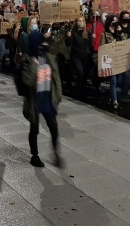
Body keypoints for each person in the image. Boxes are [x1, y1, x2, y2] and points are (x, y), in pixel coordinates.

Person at [21, 32, 62, 168]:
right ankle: (35, 156)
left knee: (54, 128)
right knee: (34, 129)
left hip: (48, 98)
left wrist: (58, 97)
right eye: (42, 42)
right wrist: (34, 65)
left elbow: (56, 79)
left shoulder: (49, 58)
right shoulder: (27, 60)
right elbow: (28, 82)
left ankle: (56, 153)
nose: (45, 44)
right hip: (34, 100)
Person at [99, 18, 125, 109]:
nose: (116, 22)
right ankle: (115, 101)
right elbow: (102, 48)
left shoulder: (118, 32)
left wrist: (120, 32)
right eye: (114, 20)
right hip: (110, 60)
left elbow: (124, 42)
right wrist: (111, 45)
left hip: (118, 59)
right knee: (113, 80)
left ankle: (110, 95)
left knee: (119, 80)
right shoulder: (104, 34)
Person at [66, 16, 93, 96]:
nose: (81, 22)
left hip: (85, 56)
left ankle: (83, 88)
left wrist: (92, 38)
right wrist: (69, 37)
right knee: (80, 72)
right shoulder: (73, 32)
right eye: (79, 21)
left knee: (85, 73)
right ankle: (80, 89)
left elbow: (89, 44)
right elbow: (68, 44)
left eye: (82, 21)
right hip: (76, 56)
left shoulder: (87, 32)